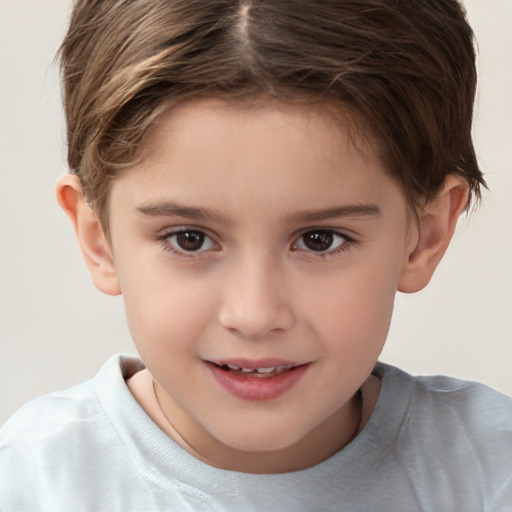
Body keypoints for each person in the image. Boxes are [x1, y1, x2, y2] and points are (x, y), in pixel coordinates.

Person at [1, 0, 510, 510]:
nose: (254, 314)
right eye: (189, 239)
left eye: (319, 240)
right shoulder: (32, 484)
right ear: (98, 238)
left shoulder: (489, 471)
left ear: (424, 235)